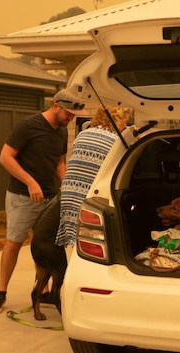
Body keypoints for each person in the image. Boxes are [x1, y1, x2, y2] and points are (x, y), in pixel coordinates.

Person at [0, 88, 84, 315]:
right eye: (68, 113)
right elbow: (5, 157)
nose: (70, 119)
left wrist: (69, 186)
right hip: (22, 196)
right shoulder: (27, 126)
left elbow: (59, 163)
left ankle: (44, 292)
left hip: (49, 196)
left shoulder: (61, 132)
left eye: (73, 115)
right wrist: (30, 182)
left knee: (44, 243)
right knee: (14, 243)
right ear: (56, 106)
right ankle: (1, 292)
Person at [56, 106, 133, 248]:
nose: (125, 126)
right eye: (124, 122)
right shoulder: (116, 142)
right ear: (115, 120)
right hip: (89, 196)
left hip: (68, 193)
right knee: (89, 240)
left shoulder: (82, 135)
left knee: (76, 238)